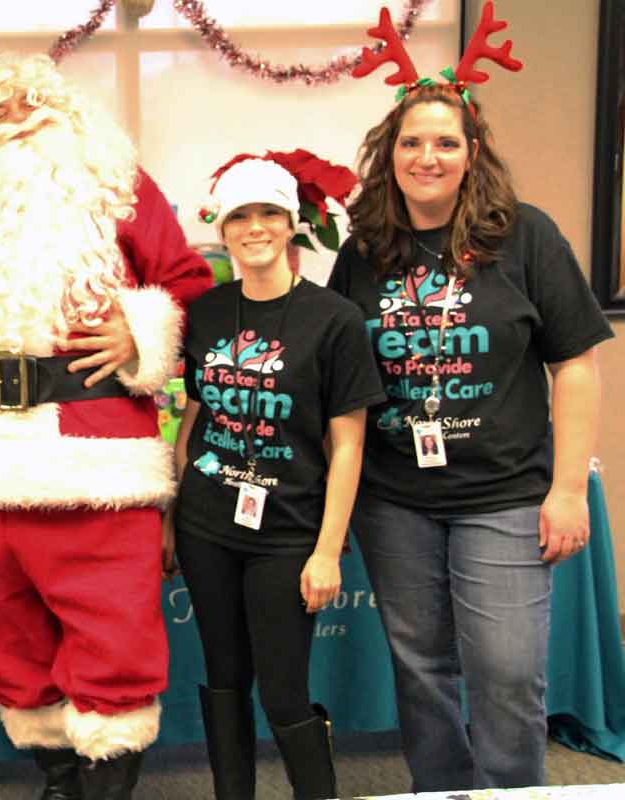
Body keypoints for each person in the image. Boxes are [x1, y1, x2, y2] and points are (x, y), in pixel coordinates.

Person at [329, 4, 613, 790]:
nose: (428, 157)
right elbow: (339, 378)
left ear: (471, 151)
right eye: (411, 142)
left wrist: (566, 490)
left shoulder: (526, 235)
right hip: (395, 498)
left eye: (445, 142)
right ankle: (442, 791)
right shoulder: (362, 252)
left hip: (506, 493)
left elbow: (578, 365)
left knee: (509, 672)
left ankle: (513, 793)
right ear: (389, 155)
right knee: (421, 670)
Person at [0, 54, 212, 799]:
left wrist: (140, 328)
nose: (20, 124)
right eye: (0, 113)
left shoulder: (121, 191)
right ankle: (60, 776)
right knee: (4, 637)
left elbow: (188, 285)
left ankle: (106, 785)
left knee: (113, 633)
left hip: (101, 457)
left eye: (37, 109)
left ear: (74, 123)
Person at [167, 155, 384, 800]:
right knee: (224, 676)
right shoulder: (205, 313)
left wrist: (326, 551)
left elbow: (348, 445)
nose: (254, 227)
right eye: (240, 215)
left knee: (284, 690)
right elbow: (196, 414)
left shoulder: (334, 319)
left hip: (288, 532)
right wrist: (172, 513)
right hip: (208, 523)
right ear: (222, 228)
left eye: (269, 214)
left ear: (293, 225)